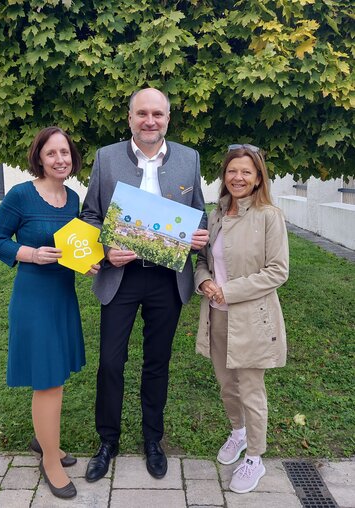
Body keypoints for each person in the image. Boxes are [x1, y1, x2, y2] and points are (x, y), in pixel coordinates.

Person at [80, 88, 209, 481]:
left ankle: (153, 439)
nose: (149, 120)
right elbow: (90, 215)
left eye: (157, 114)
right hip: (122, 275)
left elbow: (199, 214)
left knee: (157, 362)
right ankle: (107, 441)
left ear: (168, 118)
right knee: (110, 363)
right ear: (130, 117)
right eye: (142, 113)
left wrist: (195, 236)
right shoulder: (106, 157)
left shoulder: (189, 159)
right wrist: (104, 247)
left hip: (166, 278)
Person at [0, 126, 99, 500]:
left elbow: (73, 247)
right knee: (47, 379)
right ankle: (50, 458)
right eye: (52, 153)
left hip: (62, 296)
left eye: (65, 153)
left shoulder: (72, 199)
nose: (60, 159)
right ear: (39, 157)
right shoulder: (21, 195)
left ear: (73, 158)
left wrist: (88, 263)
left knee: (57, 373)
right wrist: (29, 254)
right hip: (33, 298)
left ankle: (44, 441)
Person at [194, 144, 289, 494]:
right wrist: (203, 280)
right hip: (216, 316)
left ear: (258, 177)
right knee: (226, 384)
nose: (238, 177)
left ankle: (255, 458)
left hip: (252, 318)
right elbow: (204, 259)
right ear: (224, 175)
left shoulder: (268, 215)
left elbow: (278, 271)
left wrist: (228, 291)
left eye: (246, 172)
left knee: (251, 389)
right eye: (232, 171)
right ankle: (237, 433)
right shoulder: (217, 213)